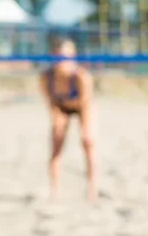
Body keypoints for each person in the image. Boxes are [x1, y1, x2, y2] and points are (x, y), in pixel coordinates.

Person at [39, 37, 97, 201]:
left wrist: (83, 129)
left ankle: (92, 189)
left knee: (88, 141)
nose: (61, 60)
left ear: (73, 56)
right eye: (58, 56)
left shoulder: (81, 77)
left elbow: (85, 103)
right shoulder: (46, 77)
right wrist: (59, 122)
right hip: (60, 106)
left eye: (65, 56)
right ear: (52, 55)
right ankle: (55, 191)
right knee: (57, 141)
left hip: (81, 106)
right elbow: (50, 102)